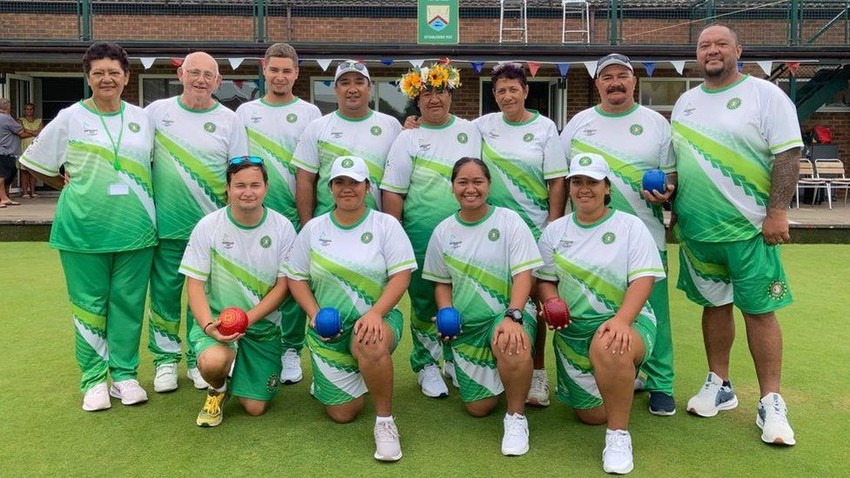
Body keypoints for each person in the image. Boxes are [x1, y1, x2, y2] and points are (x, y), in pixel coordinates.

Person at [671, 24, 801, 446]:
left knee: (759, 311)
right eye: (705, 45)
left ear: (738, 50)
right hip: (698, 231)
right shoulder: (686, 102)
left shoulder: (765, 95)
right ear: (697, 54)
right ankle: (720, 384)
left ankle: (771, 402)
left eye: (721, 44)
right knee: (714, 306)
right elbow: (677, 163)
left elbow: (788, 153)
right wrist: (668, 197)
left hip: (749, 229)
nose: (712, 51)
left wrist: (777, 211)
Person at [19, 42, 157, 411]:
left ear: (127, 77)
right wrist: (65, 183)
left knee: (128, 305)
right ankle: (94, 379)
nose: (107, 79)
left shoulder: (142, 119)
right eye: (99, 73)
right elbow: (34, 165)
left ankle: (124, 376)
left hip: (137, 231)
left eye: (114, 72)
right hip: (82, 229)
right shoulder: (69, 117)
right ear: (88, 77)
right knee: (88, 306)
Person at [559, 53, 678, 416]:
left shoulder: (656, 124)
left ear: (634, 81)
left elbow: (671, 178)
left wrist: (666, 192)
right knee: (594, 308)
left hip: (645, 235)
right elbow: (560, 175)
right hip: (587, 241)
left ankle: (661, 383)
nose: (615, 82)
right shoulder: (579, 124)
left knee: (654, 310)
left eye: (622, 76)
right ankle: (603, 372)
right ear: (597, 84)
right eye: (607, 76)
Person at [535, 153, 665, 474]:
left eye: (592, 182)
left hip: (626, 321)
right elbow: (546, 281)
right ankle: (624, 380)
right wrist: (551, 301)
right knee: (592, 415)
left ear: (607, 187)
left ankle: (618, 437)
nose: (584, 189)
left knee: (609, 345)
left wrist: (622, 319)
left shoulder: (630, 226)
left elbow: (643, 279)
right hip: (573, 332)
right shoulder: (555, 231)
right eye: (577, 182)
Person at [285, 155, 415, 462]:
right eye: (339, 182)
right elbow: (296, 277)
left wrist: (375, 313)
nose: (347, 188)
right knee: (343, 413)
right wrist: (315, 313)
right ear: (330, 188)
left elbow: (401, 275)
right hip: (328, 329)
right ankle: (351, 373)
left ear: (367, 187)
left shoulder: (386, 225)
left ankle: (385, 422)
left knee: (369, 340)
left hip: (376, 321)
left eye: (354, 182)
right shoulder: (315, 228)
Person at [422, 157, 543, 456]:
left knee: (511, 341)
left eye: (478, 181)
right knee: (478, 408)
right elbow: (441, 282)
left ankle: (515, 417)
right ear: (452, 187)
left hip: (506, 314)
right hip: (467, 326)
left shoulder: (509, 221)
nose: (470, 188)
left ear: (489, 185)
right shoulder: (443, 231)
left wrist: (514, 315)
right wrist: (446, 310)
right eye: (462, 182)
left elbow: (524, 274)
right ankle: (502, 374)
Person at [146, 51, 249, 393]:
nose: (201, 80)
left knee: (201, 299)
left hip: (211, 232)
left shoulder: (230, 120)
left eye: (209, 75)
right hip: (168, 226)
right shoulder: (157, 113)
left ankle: (194, 360)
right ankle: (164, 361)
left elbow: (240, 173)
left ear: (218, 82)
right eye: (194, 73)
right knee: (164, 295)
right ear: (181, 75)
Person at [381, 62, 481, 399]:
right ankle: (426, 363)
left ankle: (454, 358)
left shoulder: (471, 131)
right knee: (425, 302)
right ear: (416, 100)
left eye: (440, 91)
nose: (434, 99)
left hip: (468, 231)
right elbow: (393, 191)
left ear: (450, 94)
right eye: (426, 93)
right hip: (421, 234)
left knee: (460, 297)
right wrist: (394, 237)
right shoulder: (406, 137)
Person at [474, 63, 568, 408]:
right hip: (494, 231)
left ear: (526, 91)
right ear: (494, 94)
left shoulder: (544, 128)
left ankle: (538, 374)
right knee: (502, 298)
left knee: (538, 302)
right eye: (500, 90)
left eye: (514, 89)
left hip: (536, 228)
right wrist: (413, 122)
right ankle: (497, 367)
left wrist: (553, 224)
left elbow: (557, 179)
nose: (507, 96)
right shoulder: (482, 126)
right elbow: (446, 130)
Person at [180, 157, 296, 427]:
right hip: (220, 322)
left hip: (262, 326)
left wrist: (248, 319)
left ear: (266, 188)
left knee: (255, 408)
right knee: (212, 362)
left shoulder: (282, 227)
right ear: (228, 189)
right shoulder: (208, 226)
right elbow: (194, 284)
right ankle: (218, 388)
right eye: (240, 185)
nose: (248, 191)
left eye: (255, 184)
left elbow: (283, 287)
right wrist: (210, 326)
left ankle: (242, 371)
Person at [235, 43, 321, 385]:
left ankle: (291, 349)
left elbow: (312, 170)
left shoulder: (311, 113)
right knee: (261, 279)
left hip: (296, 214)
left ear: (296, 73)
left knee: (296, 283)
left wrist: (307, 216)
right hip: (256, 212)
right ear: (263, 69)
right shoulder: (245, 112)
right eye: (275, 69)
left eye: (287, 70)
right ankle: (256, 343)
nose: (280, 76)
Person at [293, 60, 401, 225]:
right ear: (336, 89)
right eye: (345, 83)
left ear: (369, 87)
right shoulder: (317, 127)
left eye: (359, 82)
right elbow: (305, 181)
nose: (352, 89)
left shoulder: (391, 126)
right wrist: (307, 227)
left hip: (376, 226)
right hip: (327, 226)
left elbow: (400, 180)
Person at [0, 98, 33, 207]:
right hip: (5, 151)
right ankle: (3, 198)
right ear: (7, 107)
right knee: (3, 176)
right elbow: (21, 132)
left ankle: (6, 196)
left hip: (5, 151)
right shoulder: (6, 118)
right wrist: (35, 134)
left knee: (10, 173)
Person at [18, 103, 43, 199]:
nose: (29, 111)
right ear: (24, 111)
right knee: (24, 171)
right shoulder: (20, 120)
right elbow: (21, 134)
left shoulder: (39, 121)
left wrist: (28, 131)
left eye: (31, 109)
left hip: (36, 147)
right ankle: (25, 192)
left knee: (33, 170)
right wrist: (34, 132)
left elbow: (41, 133)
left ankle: (33, 191)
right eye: (27, 109)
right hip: (24, 146)